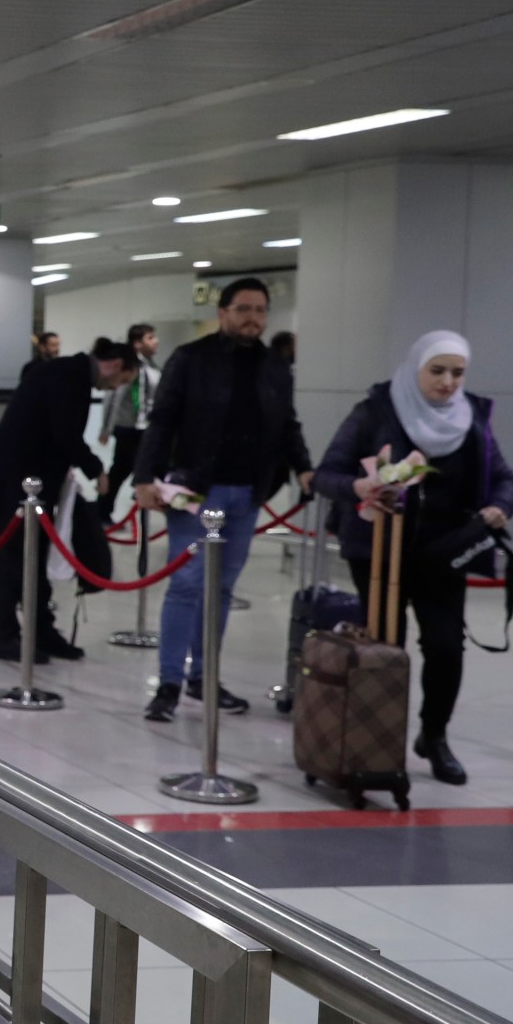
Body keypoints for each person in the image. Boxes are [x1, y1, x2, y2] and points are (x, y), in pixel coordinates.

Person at [311, 331, 513, 786]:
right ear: (416, 368)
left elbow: (503, 476)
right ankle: (382, 737)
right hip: (379, 548)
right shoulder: (376, 411)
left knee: (445, 646)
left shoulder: (473, 419)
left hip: (444, 552)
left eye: (457, 373)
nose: (447, 382)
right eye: (437, 371)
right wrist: (359, 487)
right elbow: (327, 474)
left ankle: (434, 735)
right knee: (387, 645)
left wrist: (501, 505)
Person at [134, 278, 312, 720]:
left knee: (222, 589)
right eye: (244, 309)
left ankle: (203, 678)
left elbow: (287, 424)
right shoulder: (191, 359)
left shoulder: (275, 366)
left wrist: (304, 467)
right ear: (223, 312)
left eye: (260, 310)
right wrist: (143, 477)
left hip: (248, 493)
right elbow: (162, 421)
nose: (253, 318)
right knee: (187, 584)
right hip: (194, 490)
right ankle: (170, 683)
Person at [0, 339, 138, 663]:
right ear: (114, 364)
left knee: (33, 561)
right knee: (11, 563)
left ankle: (42, 631)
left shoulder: (69, 372)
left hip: (30, 484)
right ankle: (7, 637)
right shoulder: (70, 376)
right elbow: (65, 433)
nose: (114, 388)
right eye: (120, 381)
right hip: (14, 485)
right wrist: (95, 469)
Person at [102, 322, 161, 503]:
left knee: (135, 468)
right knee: (122, 469)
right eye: (150, 338)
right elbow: (114, 397)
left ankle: (137, 497)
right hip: (128, 427)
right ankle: (103, 509)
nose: (156, 341)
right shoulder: (128, 365)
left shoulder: (152, 366)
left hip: (146, 427)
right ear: (137, 343)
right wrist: (106, 428)